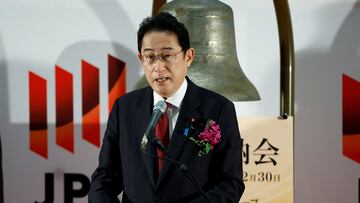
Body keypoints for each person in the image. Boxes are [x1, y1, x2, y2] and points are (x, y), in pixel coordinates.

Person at [88, 12, 244, 203]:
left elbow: (230, 183)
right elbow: (105, 177)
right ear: (141, 59)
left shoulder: (219, 109)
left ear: (188, 56)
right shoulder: (124, 108)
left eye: (167, 55)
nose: (158, 66)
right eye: (150, 57)